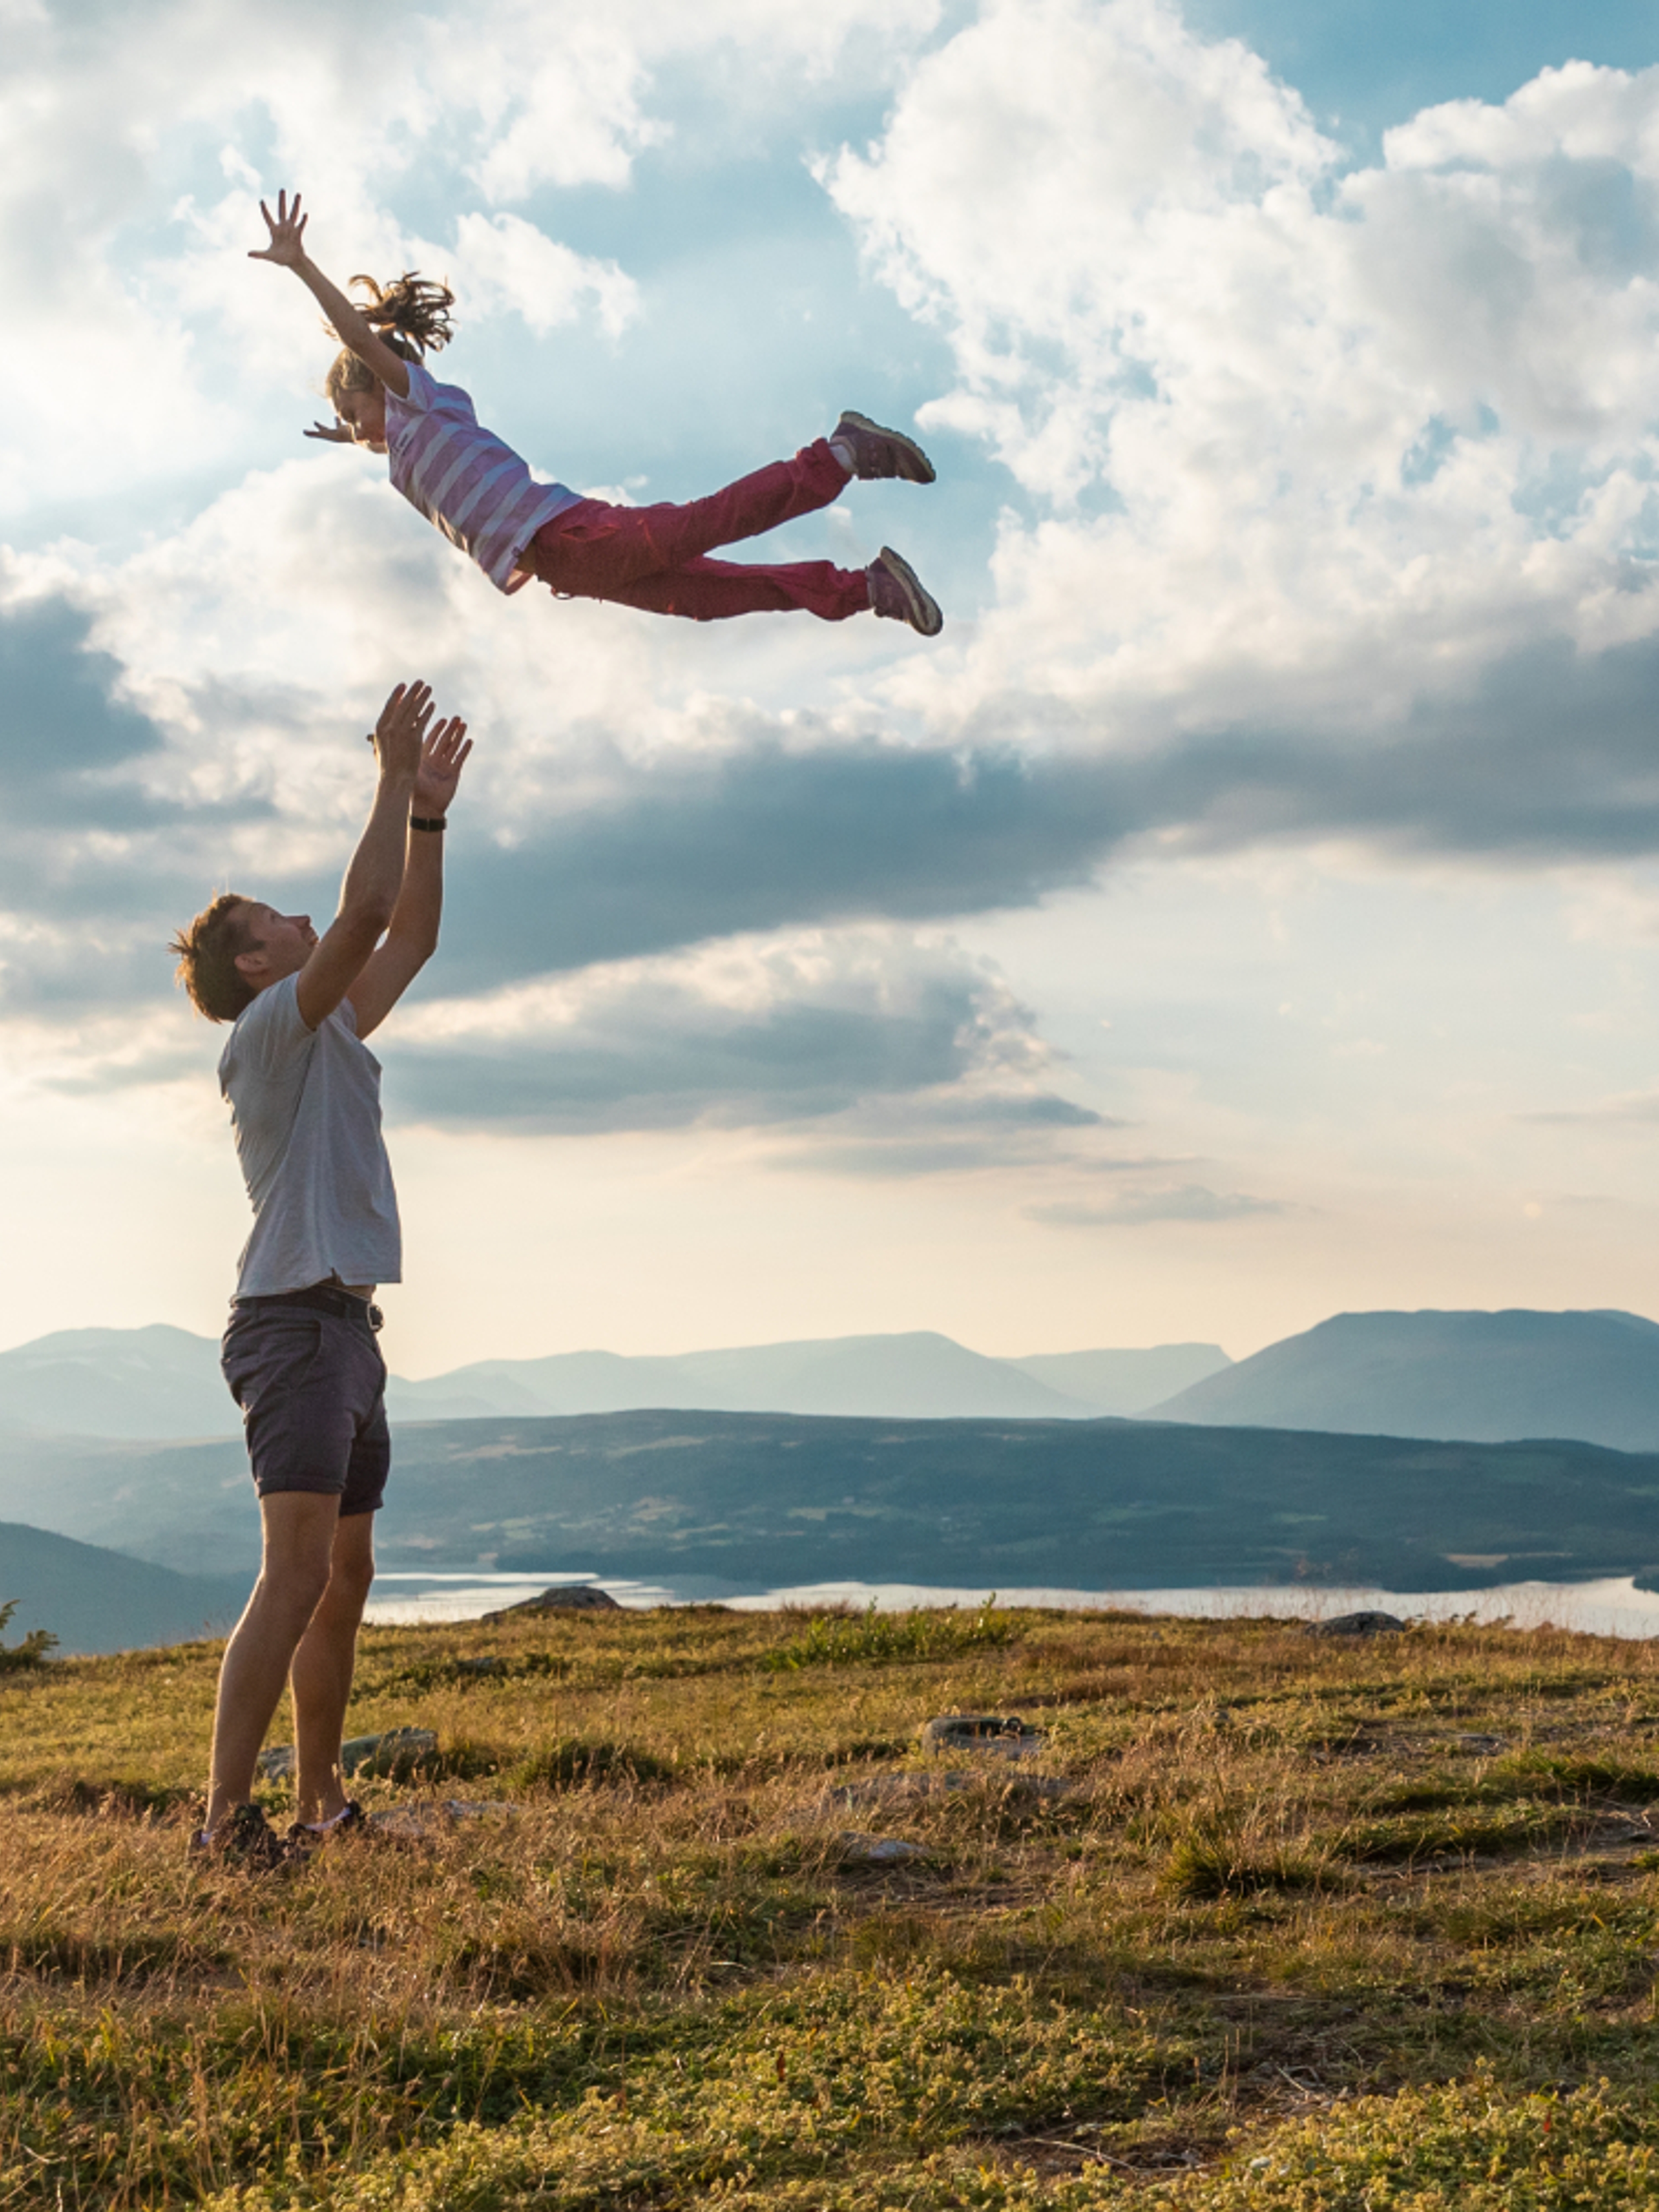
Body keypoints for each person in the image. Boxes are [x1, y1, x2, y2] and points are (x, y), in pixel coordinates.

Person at [170, 680, 471, 1867]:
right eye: (277, 918)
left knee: (343, 1574)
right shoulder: (269, 1032)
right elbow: (367, 911)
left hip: (342, 1322)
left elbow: (413, 937)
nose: (304, 918)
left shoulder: (332, 1023)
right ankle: (222, 1825)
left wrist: (432, 816)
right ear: (254, 965)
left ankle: (319, 1805)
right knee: (294, 1571)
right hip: (292, 1324)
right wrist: (391, 777)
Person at [249, 190, 944, 636]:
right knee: (712, 598)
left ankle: (844, 453)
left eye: (353, 408)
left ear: (375, 383)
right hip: (568, 569)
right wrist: (349, 435)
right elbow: (384, 443)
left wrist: (303, 267)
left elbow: (357, 340)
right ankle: (867, 589)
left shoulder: (417, 399)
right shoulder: (399, 444)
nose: (360, 430)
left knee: (714, 519)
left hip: (571, 538)